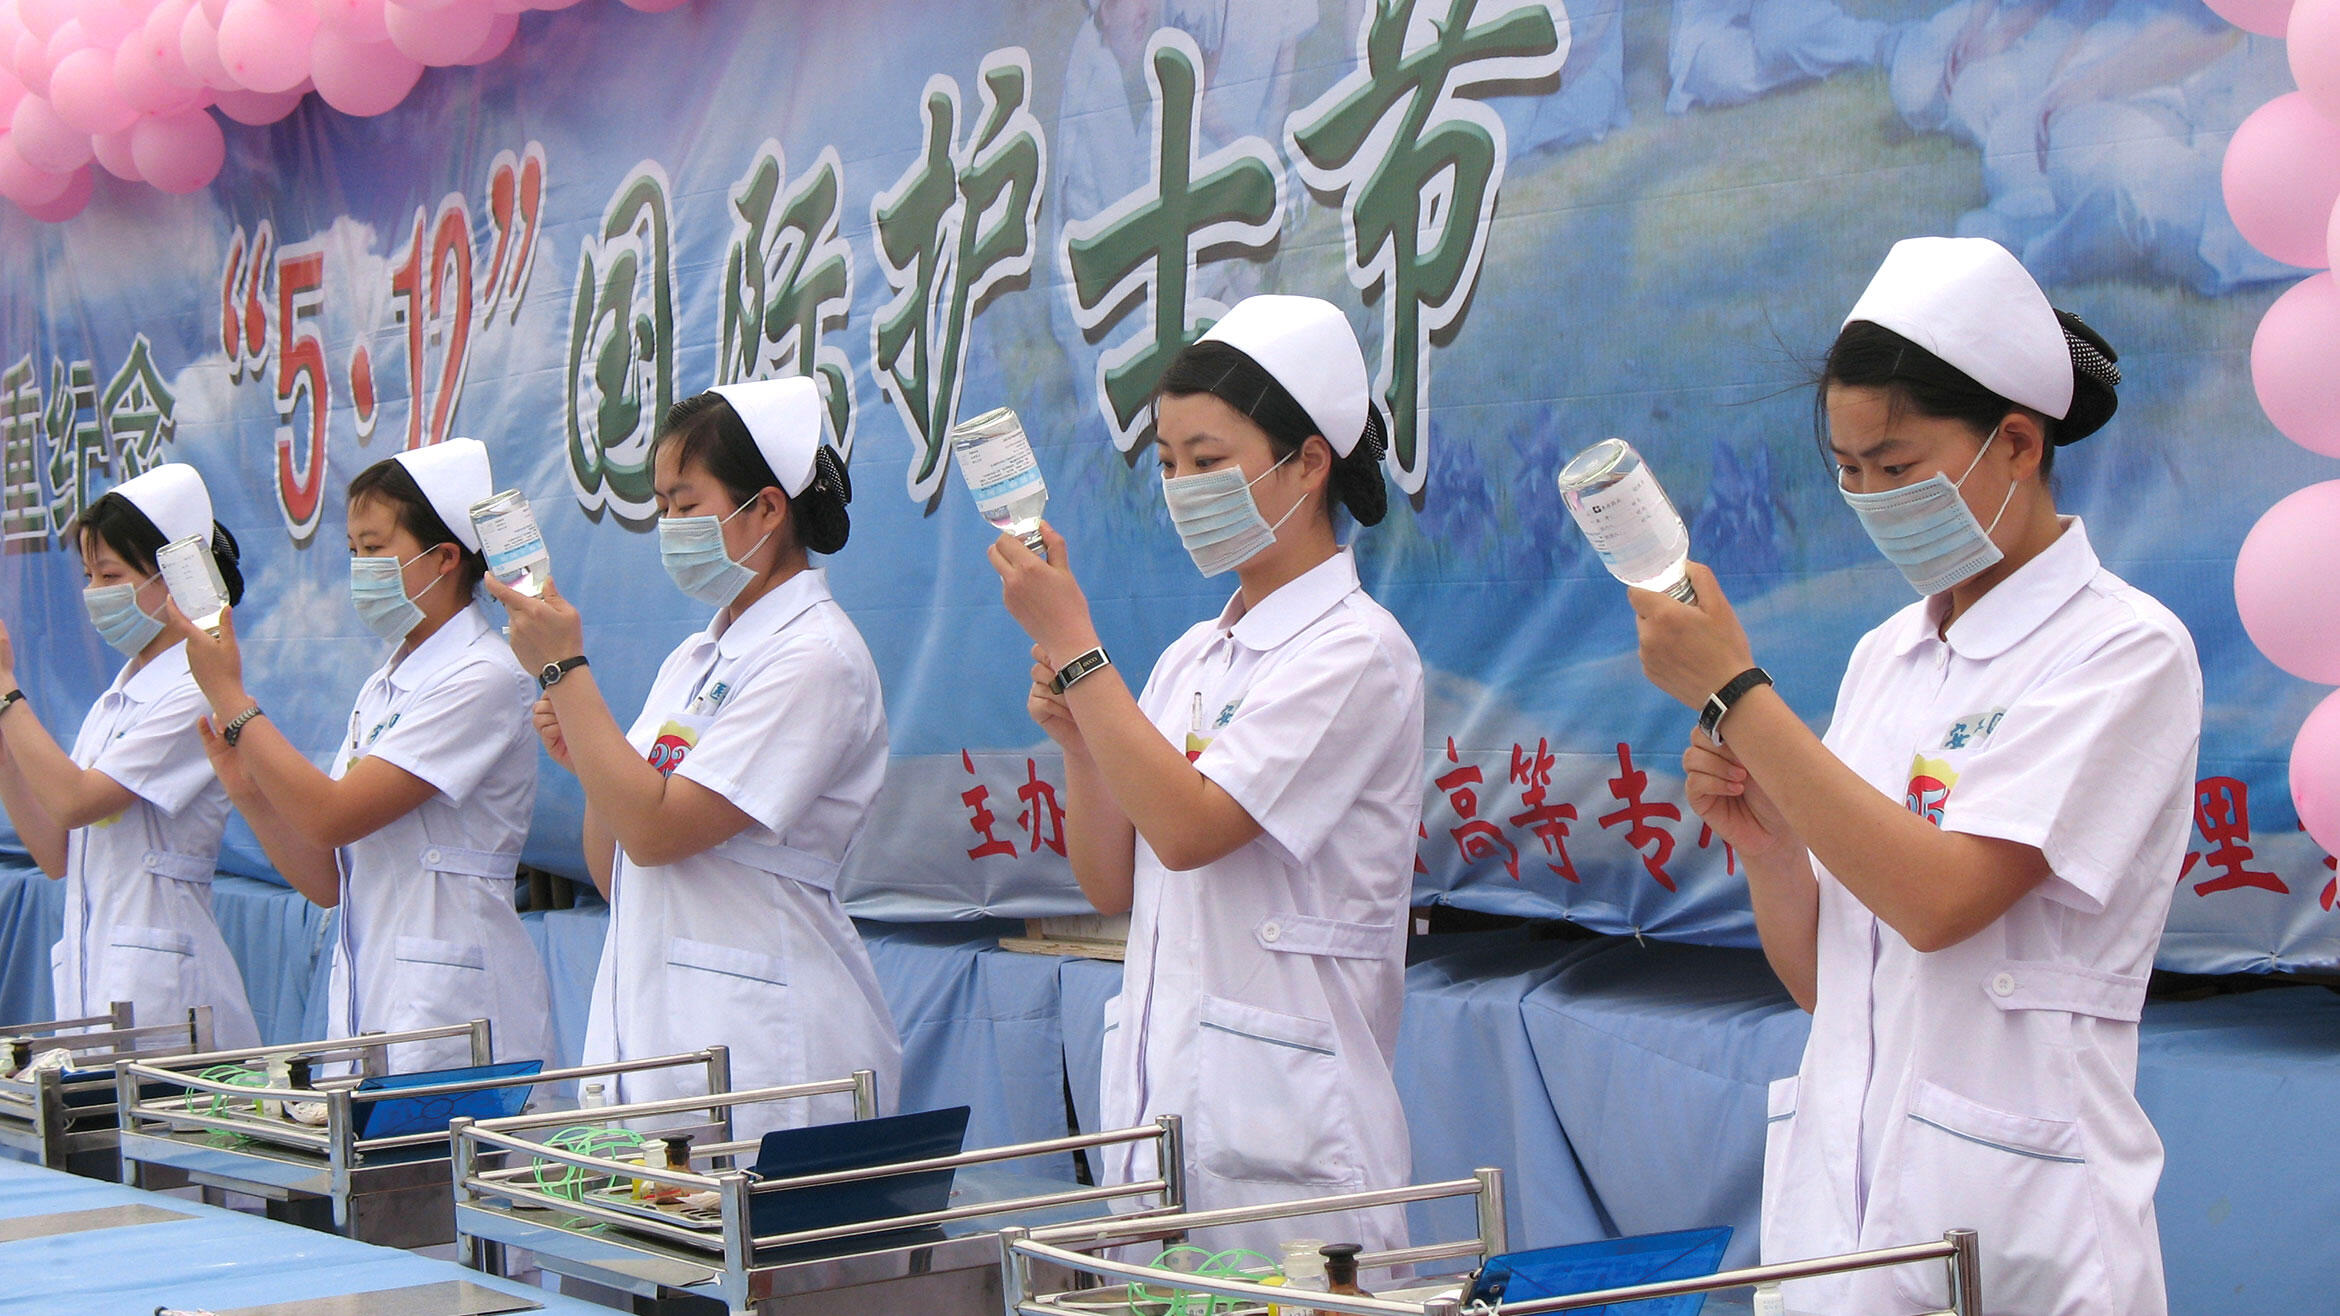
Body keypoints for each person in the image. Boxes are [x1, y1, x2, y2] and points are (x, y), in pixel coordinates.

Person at [1629, 236, 2200, 1313]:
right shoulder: (1889, 653)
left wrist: (1739, 697)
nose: (1870, 495)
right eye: (1848, 472)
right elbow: (1835, 984)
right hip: (1847, 1234)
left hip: (2019, 1236)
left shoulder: (2125, 649)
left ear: (2018, 443)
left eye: (1896, 467)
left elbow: (1940, 900)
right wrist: (1767, 847)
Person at [989, 295, 1423, 1257]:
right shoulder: (1195, 656)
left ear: (1309, 464)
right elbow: (1114, 882)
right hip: (1164, 1134)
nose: (1182, 485)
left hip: (1295, 1162)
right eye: (1171, 463)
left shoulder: (1356, 652)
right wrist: (1078, 736)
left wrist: (1076, 646)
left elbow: (1189, 832)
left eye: (1210, 459)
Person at [494, 377, 899, 1140]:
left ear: (768, 509)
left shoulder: (814, 658)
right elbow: (617, 863)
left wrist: (566, 676)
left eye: (686, 504)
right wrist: (592, 760)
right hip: (669, 1039)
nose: (669, 525)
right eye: (662, 506)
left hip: (765, 1047)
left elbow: (656, 832)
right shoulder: (696, 656)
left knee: (751, 1250)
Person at [171, 440, 552, 1073]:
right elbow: (328, 879)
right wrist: (247, 790)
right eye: (352, 551)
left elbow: (332, 815)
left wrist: (233, 699)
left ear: (444, 558)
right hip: (376, 1005)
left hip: (451, 1016)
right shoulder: (385, 685)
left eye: (375, 549)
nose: (359, 566)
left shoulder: (482, 675)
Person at [0, 464, 261, 1049]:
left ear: (171, 576)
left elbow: (73, 801)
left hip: (166, 992)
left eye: (111, 575)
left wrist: (6, 690)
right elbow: (55, 852)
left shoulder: (195, 688)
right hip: (100, 985)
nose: (95, 594)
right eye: (88, 576)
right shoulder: (118, 695)